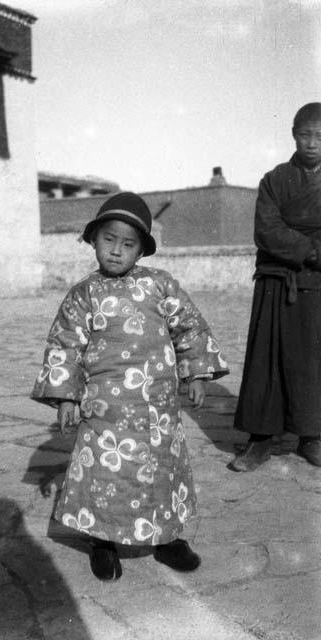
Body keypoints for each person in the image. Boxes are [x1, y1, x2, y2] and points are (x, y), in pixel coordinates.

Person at [31, 191, 229, 580]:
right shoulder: (83, 295)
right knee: (104, 476)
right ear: (93, 240)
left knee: (160, 471)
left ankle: (166, 537)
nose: (116, 251)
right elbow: (65, 345)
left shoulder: (161, 285)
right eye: (109, 240)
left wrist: (197, 372)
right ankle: (102, 541)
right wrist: (66, 397)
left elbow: (188, 326)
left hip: (156, 408)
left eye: (128, 244)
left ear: (141, 251)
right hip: (104, 409)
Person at [231, 102, 321, 472]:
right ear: (293, 136)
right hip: (275, 282)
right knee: (266, 361)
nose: (312, 143)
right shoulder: (275, 179)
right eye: (305, 135)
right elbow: (266, 230)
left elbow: (281, 229)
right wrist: (312, 248)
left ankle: (312, 435)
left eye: (319, 136)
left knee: (312, 363)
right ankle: (261, 440)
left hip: (316, 285)